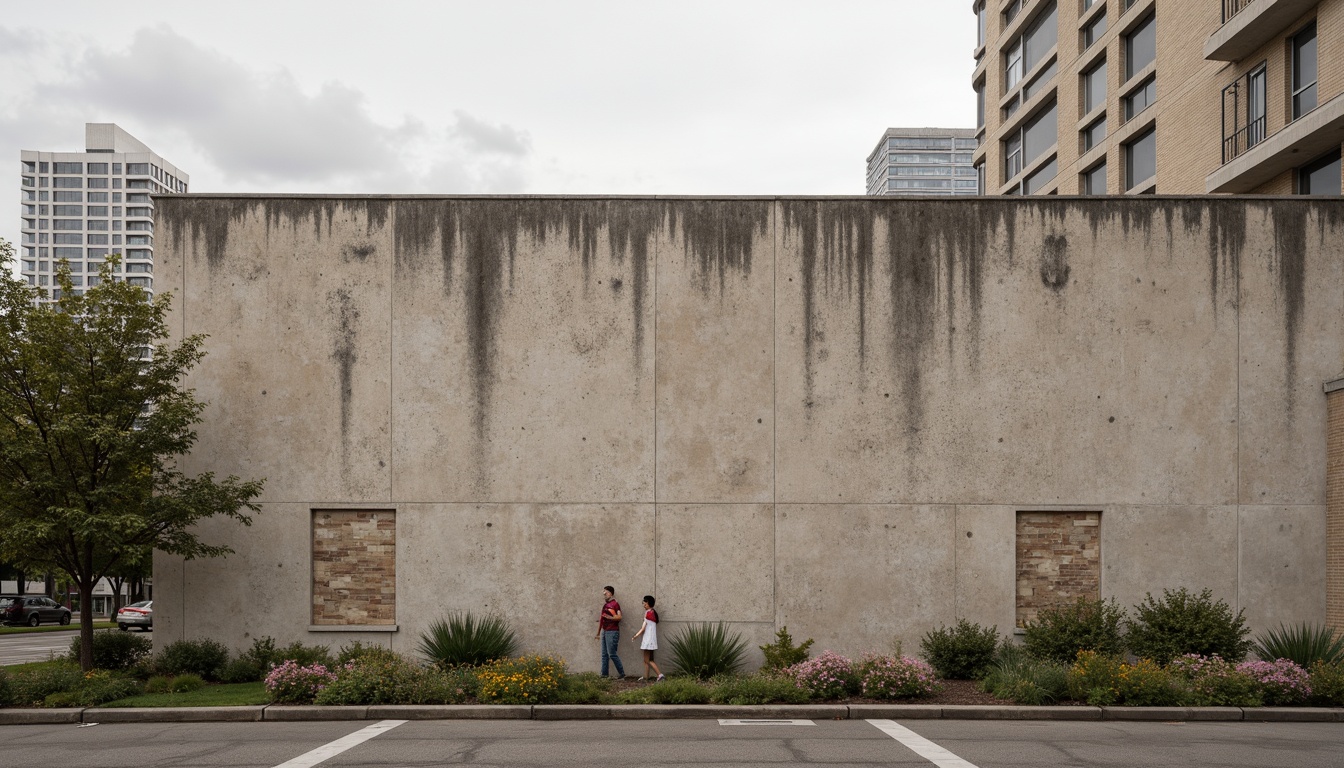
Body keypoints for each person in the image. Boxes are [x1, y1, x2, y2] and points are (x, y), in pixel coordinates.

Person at [631, 595, 664, 682]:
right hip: (650, 639)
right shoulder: (653, 613)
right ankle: (646, 677)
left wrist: (635, 636)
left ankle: (660, 675)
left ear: (648, 603)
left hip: (648, 640)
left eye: (645, 603)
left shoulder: (648, 613)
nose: (643, 605)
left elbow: (643, 628)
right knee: (646, 660)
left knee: (648, 660)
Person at [594, 585, 625, 679]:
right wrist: (598, 633)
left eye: (606, 592)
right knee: (604, 654)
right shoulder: (606, 605)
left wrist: (610, 617)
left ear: (611, 593)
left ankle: (622, 674)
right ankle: (604, 674)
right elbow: (602, 619)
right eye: (603, 592)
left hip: (612, 631)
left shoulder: (615, 604)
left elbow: (619, 617)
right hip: (605, 631)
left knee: (612, 654)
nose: (604, 594)